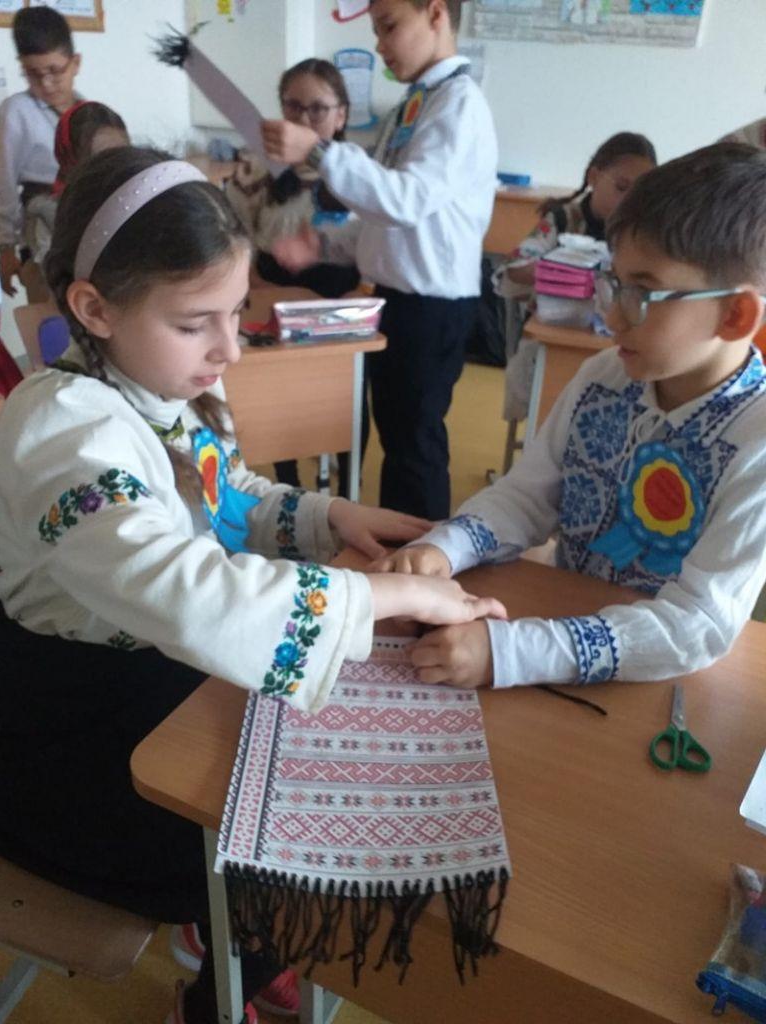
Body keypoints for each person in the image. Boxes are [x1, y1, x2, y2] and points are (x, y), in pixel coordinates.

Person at [0, 146, 506, 1024]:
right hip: (66, 745)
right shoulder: (62, 431)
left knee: (309, 760)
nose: (230, 348)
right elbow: (188, 590)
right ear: (95, 308)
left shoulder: (155, 386)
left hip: (148, 684)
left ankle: (232, 940)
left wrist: (329, 516)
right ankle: (220, 979)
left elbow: (222, 497)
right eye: (197, 322)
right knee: (290, 834)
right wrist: (388, 597)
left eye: (236, 312)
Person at [372, 143, 766, 693]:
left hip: (655, 686)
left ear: (735, 314)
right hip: (559, 635)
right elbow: (526, 497)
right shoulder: (604, 377)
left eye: (642, 292)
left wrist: (511, 652)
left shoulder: (755, 440)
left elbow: (696, 625)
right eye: (614, 282)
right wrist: (445, 547)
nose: (611, 314)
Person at [262, 0, 498, 521]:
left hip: (432, 307)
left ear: (435, 13)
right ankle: (401, 547)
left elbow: (405, 201)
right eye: (375, 29)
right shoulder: (418, 102)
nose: (380, 44)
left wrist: (318, 152)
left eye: (389, 26)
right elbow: (384, 216)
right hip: (399, 299)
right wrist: (324, 246)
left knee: (414, 447)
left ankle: (422, 556)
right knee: (399, 439)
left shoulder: (458, 104)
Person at [227, 57, 362, 494]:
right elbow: (235, 235)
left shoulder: (359, 171)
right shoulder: (254, 166)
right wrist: (258, 284)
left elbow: (376, 242)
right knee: (278, 399)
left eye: (317, 109)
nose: (304, 120)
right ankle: (289, 487)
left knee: (345, 402)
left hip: (340, 302)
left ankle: (349, 489)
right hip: (272, 294)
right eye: (293, 107)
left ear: (340, 115)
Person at [495, 132, 656, 422]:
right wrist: (560, 272)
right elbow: (514, 268)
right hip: (553, 336)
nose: (628, 201)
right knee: (550, 407)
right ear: (594, 177)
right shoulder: (562, 218)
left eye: (639, 193)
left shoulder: (640, 233)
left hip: (613, 341)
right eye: (621, 187)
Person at [0, 4, 81, 300]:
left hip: (85, 227)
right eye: (33, 74)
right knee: (50, 315)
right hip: (41, 234)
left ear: (75, 63)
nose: (46, 83)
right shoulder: (16, 111)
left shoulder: (87, 110)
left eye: (55, 71)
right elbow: (3, 182)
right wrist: (5, 247)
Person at [27, 100, 129, 267]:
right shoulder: (49, 217)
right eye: (96, 160)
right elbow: (54, 277)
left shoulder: (141, 200)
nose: (112, 168)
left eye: (120, 155)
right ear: (70, 160)